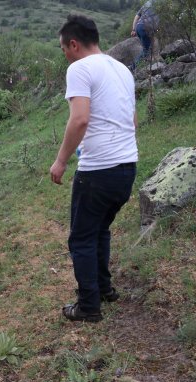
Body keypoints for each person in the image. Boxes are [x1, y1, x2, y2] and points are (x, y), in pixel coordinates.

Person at [51, 14, 138, 322]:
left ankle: (89, 306)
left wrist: (61, 160)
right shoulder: (122, 70)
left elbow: (80, 119)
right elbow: (132, 120)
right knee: (100, 229)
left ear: (73, 44)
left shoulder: (80, 68)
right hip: (127, 167)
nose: (65, 55)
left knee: (81, 239)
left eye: (64, 49)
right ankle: (103, 288)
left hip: (99, 170)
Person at [130, 0, 159, 70]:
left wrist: (133, 29)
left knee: (147, 48)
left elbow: (136, 17)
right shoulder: (161, 5)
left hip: (139, 27)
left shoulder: (147, 4)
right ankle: (132, 67)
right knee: (146, 51)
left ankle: (145, 66)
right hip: (146, 28)